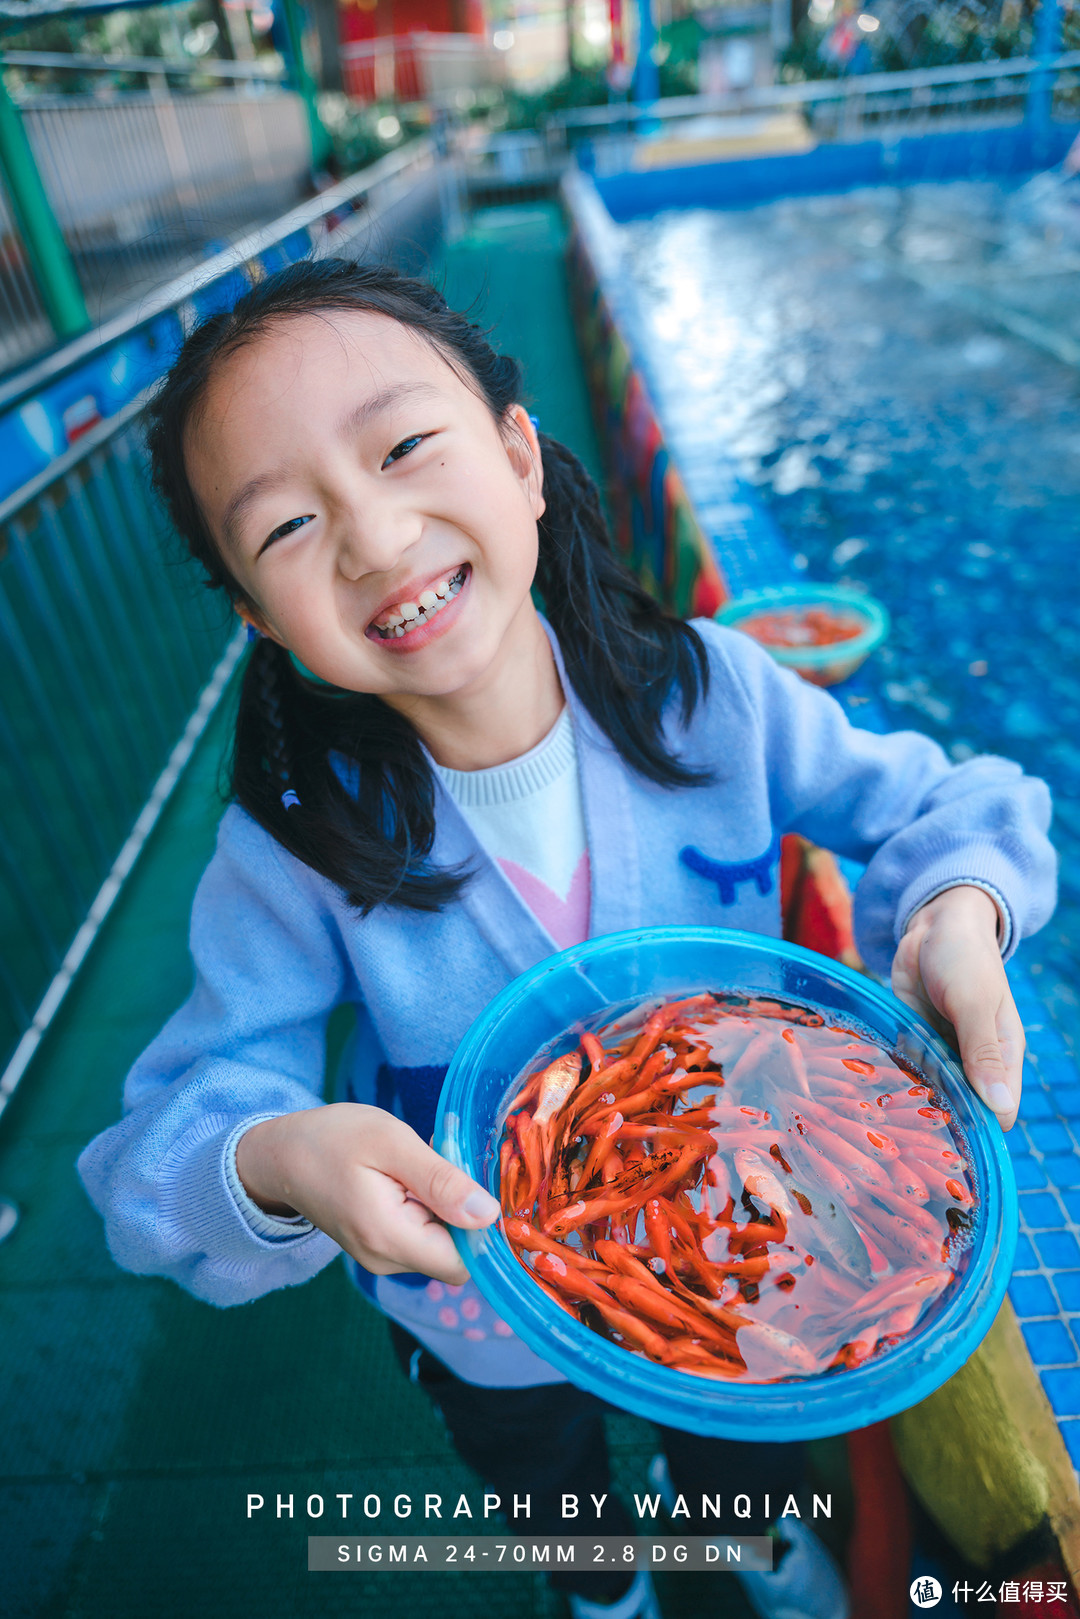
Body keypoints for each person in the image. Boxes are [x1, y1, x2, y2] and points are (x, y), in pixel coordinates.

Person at [78, 259, 1055, 1619]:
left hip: (743, 1264)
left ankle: (746, 1552)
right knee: (551, 1490)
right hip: (488, 1330)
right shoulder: (291, 853)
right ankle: (605, 1593)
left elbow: (959, 804)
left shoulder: (714, 702)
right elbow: (150, 1157)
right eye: (289, 526)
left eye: (406, 445)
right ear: (256, 614)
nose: (370, 538)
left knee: (741, 1462)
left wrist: (959, 910)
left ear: (519, 454)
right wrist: (279, 1157)